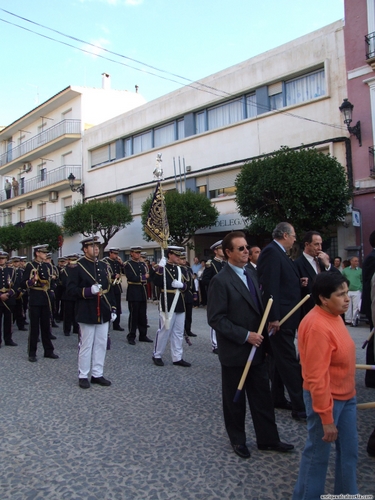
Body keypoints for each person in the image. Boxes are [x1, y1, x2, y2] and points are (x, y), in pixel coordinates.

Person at [207, 231, 294, 459]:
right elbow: (216, 319)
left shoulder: (252, 274)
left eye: (247, 247)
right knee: (235, 400)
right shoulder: (220, 281)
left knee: (262, 398)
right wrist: (246, 335)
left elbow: (259, 307)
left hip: (258, 349)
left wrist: (270, 322)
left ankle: (269, 439)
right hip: (236, 351)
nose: (247, 251)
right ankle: (238, 440)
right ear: (228, 253)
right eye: (241, 248)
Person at [292, 272, 358, 498]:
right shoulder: (317, 326)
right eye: (340, 295)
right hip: (326, 400)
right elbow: (316, 377)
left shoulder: (335, 315)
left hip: (346, 397)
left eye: (347, 293)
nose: (347, 299)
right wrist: (326, 417)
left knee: (349, 454)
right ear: (323, 298)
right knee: (317, 457)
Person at [257, 222, 306, 420]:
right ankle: (300, 406)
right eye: (293, 235)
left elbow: (282, 280)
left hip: (287, 315)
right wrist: (274, 317)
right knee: (288, 360)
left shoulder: (280, 253)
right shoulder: (271, 253)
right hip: (281, 318)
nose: (295, 239)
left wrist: (298, 281)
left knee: (278, 359)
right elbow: (270, 286)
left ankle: (277, 397)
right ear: (285, 235)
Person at [66, 236, 116, 389]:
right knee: (86, 344)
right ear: (84, 249)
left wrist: (113, 307)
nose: (96, 249)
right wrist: (88, 291)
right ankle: (83, 375)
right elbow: (70, 290)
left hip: (103, 311)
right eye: (92, 246)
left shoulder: (103, 265)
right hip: (87, 310)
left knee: (101, 344)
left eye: (97, 246)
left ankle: (97, 374)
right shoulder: (76, 266)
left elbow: (109, 289)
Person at [152, 246, 191, 367]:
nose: (178, 257)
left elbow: (188, 286)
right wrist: (160, 268)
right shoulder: (162, 268)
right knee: (165, 330)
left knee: (178, 332)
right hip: (167, 302)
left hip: (180, 302)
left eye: (179, 255)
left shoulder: (182, 269)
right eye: (176, 255)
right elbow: (156, 282)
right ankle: (157, 355)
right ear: (169, 255)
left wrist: (182, 286)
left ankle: (177, 357)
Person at [22, 245, 59, 362]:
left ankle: (48, 350)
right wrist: (32, 281)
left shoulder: (47, 266)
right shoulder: (30, 266)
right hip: (35, 298)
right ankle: (32, 352)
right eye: (43, 253)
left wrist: (51, 289)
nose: (45, 255)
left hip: (45, 298)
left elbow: (51, 281)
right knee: (34, 327)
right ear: (37, 253)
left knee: (46, 326)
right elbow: (23, 283)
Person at [295, 231, 339, 319]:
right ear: (307, 244)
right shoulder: (297, 264)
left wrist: (328, 265)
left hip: (326, 309)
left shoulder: (322, 262)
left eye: (320, 244)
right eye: (316, 244)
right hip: (309, 311)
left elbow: (339, 279)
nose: (320, 248)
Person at [124, 246, 153, 345]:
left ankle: (143, 335)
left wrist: (146, 278)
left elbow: (149, 277)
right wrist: (143, 277)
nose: (138, 254)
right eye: (136, 253)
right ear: (131, 253)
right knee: (134, 315)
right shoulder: (128, 264)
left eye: (139, 253)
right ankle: (131, 335)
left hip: (142, 291)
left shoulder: (143, 264)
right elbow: (131, 277)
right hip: (133, 291)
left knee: (142, 315)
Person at [201, 240, 225, 353]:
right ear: (216, 251)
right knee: (216, 318)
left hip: (225, 295)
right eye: (221, 249)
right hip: (215, 294)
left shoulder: (225, 263)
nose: (223, 251)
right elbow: (204, 280)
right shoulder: (211, 264)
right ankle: (215, 344)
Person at [360, 229, 375, 388]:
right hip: (373, 306)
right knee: (372, 341)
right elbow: (370, 285)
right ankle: (371, 378)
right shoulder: (372, 258)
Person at [102, 248, 125, 331]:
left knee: (117, 306)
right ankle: (106, 322)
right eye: (114, 254)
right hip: (109, 286)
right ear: (110, 253)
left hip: (117, 286)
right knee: (109, 305)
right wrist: (113, 276)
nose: (116, 256)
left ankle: (116, 324)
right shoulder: (105, 262)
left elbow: (124, 271)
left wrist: (121, 264)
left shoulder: (117, 262)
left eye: (117, 254)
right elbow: (103, 273)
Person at [0, 251, 18, 347]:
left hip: (8, 298)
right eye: (0, 258)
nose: (1, 260)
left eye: (3, 258)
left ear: (6, 259)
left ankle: (8, 339)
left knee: (8, 320)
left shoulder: (11, 271)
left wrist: (9, 294)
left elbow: (16, 285)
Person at [179, 253, 197, 338]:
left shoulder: (189, 269)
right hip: (181, 293)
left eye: (184, 259)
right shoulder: (178, 269)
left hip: (189, 293)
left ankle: (188, 330)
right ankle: (181, 330)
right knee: (181, 314)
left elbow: (192, 282)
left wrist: (194, 292)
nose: (183, 260)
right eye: (182, 259)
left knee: (189, 314)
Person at [342, 256, 362, 326]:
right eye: (355, 261)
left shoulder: (360, 270)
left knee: (356, 306)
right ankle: (348, 320)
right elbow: (342, 279)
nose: (357, 262)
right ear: (351, 261)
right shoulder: (345, 270)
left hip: (357, 290)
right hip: (348, 291)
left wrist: (360, 288)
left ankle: (355, 320)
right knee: (347, 305)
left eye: (357, 261)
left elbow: (362, 280)